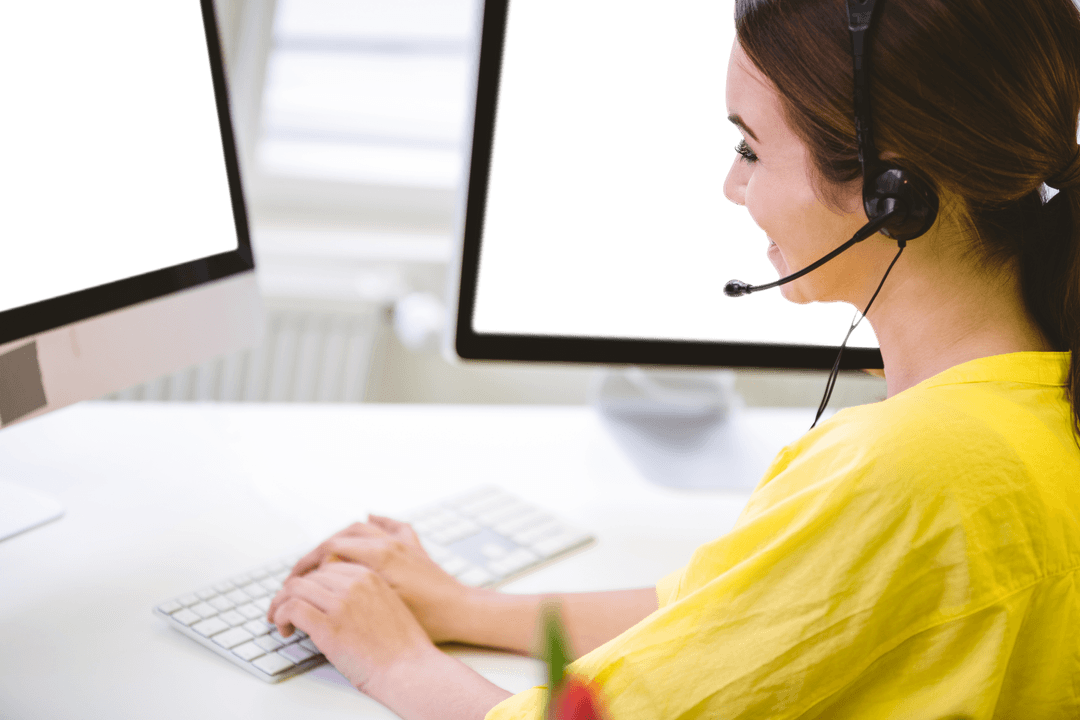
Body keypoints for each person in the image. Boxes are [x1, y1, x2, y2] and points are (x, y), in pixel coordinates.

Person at [265, 0, 1080, 717]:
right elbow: (726, 615)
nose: (732, 185)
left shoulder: (913, 472)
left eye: (750, 148)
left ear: (889, 191)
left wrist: (393, 659)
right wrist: (463, 607)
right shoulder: (1029, 406)